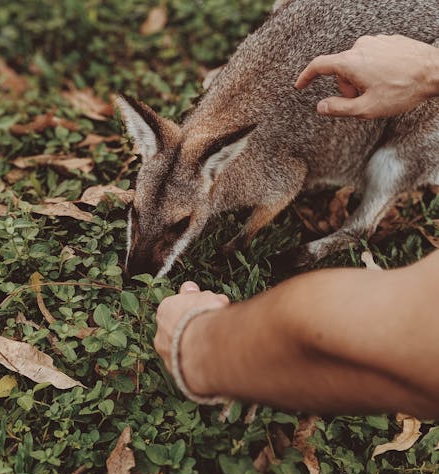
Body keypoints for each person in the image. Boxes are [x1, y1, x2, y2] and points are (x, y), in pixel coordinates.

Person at [154, 34, 439, 416]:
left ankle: (353, 230)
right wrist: (426, 67)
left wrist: (198, 346)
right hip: (404, 61)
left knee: (389, 165)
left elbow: (341, 327)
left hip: (407, 125)